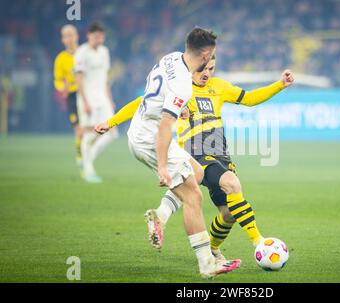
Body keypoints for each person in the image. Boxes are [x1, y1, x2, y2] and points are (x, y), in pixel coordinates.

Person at [96, 56, 294, 261]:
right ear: (191, 68)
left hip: (220, 154)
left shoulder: (219, 87)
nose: (206, 73)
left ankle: (210, 248)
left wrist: (280, 85)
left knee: (228, 214)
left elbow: (250, 98)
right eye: (202, 69)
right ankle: (259, 241)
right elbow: (140, 104)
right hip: (194, 149)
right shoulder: (178, 88)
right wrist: (111, 122)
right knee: (231, 183)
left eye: (211, 69)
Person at [96, 28, 241, 279]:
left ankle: (160, 217)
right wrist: (162, 166)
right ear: (206, 54)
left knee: (195, 171)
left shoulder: (170, 58)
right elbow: (165, 125)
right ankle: (207, 263)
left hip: (142, 127)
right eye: (213, 55)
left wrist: (178, 108)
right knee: (194, 197)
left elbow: (150, 98)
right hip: (151, 138)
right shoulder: (183, 85)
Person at [74, 22, 118, 183]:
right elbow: (78, 78)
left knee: (112, 133)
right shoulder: (81, 52)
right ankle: (88, 170)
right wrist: (84, 101)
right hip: (88, 99)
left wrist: (110, 98)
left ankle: (88, 159)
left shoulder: (104, 52)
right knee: (89, 132)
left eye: (101, 37)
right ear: (89, 36)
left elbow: (105, 79)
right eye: (95, 36)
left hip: (103, 98)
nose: (98, 39)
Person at [53, 24, 82, 168]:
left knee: (90, 127)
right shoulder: (60, 59)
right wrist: (62, 88)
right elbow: (58, 80)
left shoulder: (84, 54)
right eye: (66, 36)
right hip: (72, 96)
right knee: (78, 127)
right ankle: (80, 154)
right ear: (62, 40)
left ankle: (85, 151)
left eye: (71, 35)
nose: (69, 39)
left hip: (86, 94)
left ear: (77, 37)